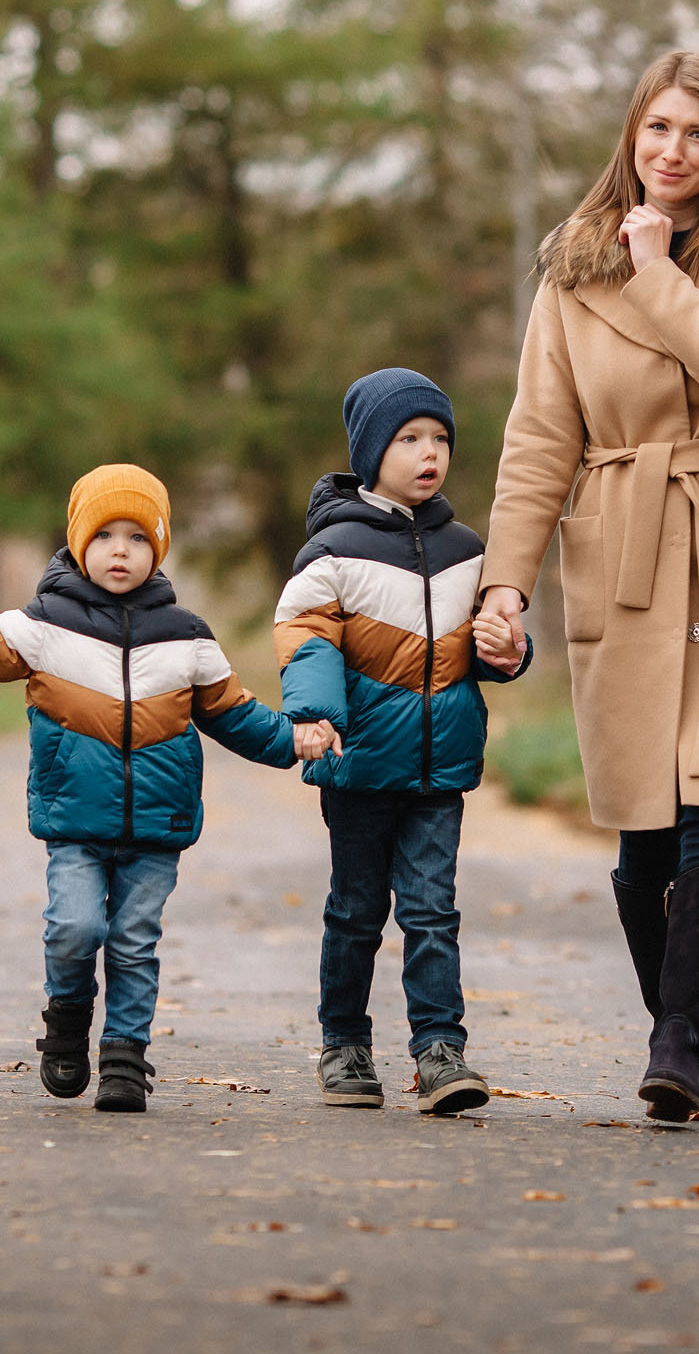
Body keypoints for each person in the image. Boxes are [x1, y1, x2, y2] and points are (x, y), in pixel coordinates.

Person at [473, 51, 699, 1122]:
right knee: (642, 817)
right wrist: (504, 586)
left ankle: (678, 1034)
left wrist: (661, 267)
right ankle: (686, 1040)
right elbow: (539, 439)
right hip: (626, 544)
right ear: (632, 132)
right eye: (658, 128)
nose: (673, 150)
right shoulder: (571, 273)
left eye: (698, 134)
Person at [0, 466, 294, 1113]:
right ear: (80, 543)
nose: (121, 550)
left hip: (156, 830)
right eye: (106, 535)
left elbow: (235, 713)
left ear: (158, 547)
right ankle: (69, 1020)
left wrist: (295, 741)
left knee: (134, 941)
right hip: (76, 823)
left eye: (138, 536)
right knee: (75, 928)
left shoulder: (186, 637)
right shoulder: (49, 624)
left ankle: (126, 1058)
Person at [274, 370, 533, 1115]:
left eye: (441, 439)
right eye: (411, 438)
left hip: (438, 768)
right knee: (356, 909)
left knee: (431, 908)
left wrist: (507, 651)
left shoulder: (468, 551)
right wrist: (318, 715)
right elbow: (307, 637)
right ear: (370, 451)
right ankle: (344, 1044)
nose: (430, 453)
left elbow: (493, 645)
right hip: (356, 765)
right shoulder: (332, 549)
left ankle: (439, 1050)